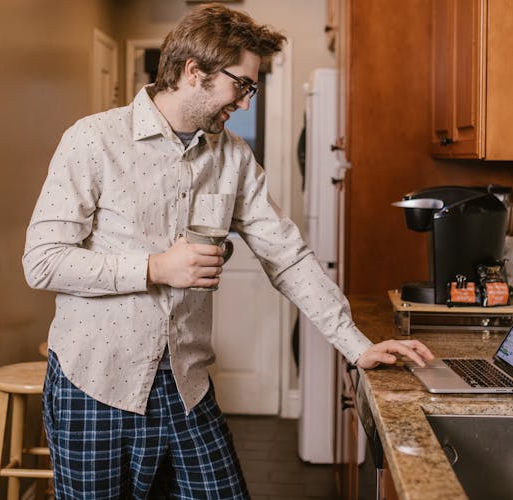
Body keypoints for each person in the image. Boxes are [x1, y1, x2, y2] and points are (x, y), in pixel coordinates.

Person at [22, 3, 433, 498]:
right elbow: (42, 261)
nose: (243, 103)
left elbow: (289, 257)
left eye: (250, 89)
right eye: (241, 84)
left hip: (185, 386)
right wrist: (154, 268)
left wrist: (357, 344)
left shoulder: (233, 157)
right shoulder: (93, 140)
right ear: (194, 72)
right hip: (94, 385)